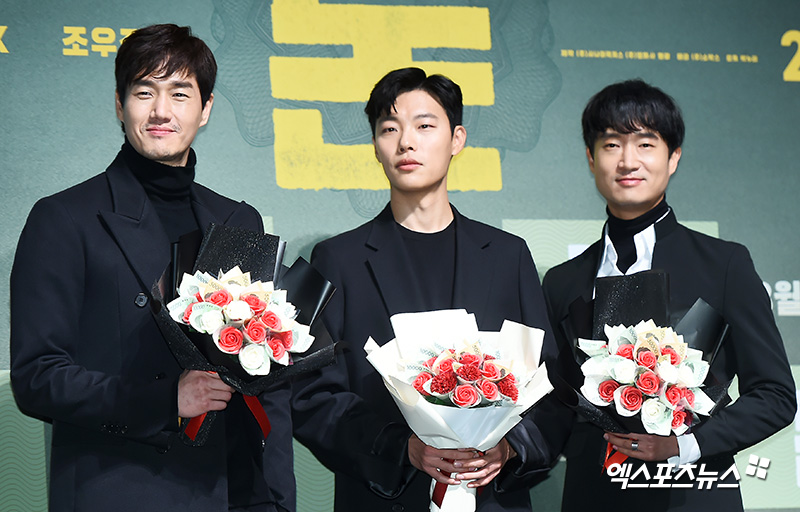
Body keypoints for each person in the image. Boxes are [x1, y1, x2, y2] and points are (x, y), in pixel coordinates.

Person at [10, 24, 293, 512]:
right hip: (122, 488)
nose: (162, 111)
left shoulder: (236, 220)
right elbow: (38, 377)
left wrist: (277, 498)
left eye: (180, 93)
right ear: (120, 106)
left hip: (236, 492)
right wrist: (163, 402)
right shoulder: (65, 218)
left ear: (204, 110)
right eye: (145, 92)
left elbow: (266, 378)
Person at [291, 67, 571, 511]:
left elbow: (550, 385)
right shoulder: (338, 260)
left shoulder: (507, 256)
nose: (406, 142)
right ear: (376, 146)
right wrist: (404, 448)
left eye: (425, 126)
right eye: (389, 128)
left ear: (457, 139)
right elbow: (311, 397)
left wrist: (509, 448)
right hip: (385, 499)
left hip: (491, 500)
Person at [541, 79, 796, 511]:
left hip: (694, 495)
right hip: (592, 496)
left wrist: (685, 445)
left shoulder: (724, 264)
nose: (627, 161)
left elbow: (774, 395)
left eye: (645, 144)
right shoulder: (564, 281)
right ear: (590, 158)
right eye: (610, 145)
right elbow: (554, 404)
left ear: (673, 157)